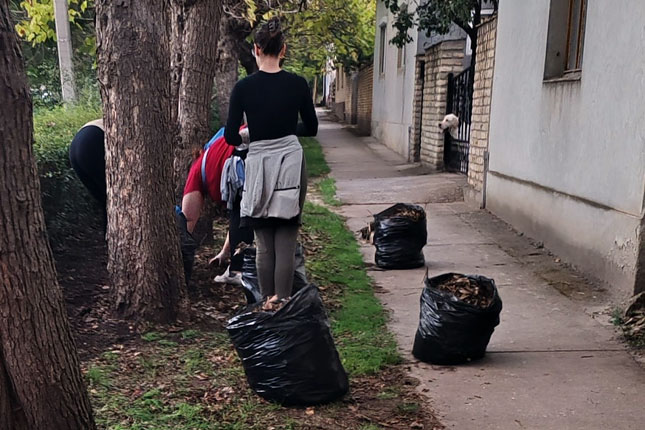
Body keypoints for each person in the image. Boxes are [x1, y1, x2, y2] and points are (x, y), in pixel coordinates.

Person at [224, 17, 318, 309]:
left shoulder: (243, 88)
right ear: (284, 49)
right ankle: (285, 303)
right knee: (286, 241)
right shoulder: (298, 84)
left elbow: (230, 136)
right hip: (291, 162)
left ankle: (266, 305)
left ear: (255, 49)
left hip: (259, 166)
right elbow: (311, 127)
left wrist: (253, 136)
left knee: (264, 243)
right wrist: (286, 133)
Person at [181, 127, 253, 285]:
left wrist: (180, 256)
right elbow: (235, 223)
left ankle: (237, 270)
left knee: (243, 211)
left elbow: (187, 220)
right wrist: (224, 252)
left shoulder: (196, 171)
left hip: (239, 156)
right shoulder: (214, 146)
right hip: (259, 141)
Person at [69, 119, 107, 229]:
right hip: (94, 139)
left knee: (107, 201)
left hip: (76, 145)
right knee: (113, 200)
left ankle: (111, 241)